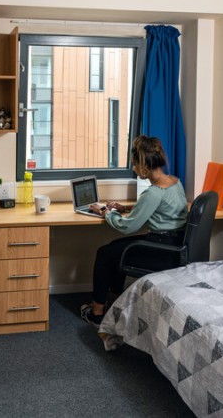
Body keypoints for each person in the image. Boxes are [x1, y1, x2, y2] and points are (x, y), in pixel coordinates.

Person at [80, 135, 188, 328]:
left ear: (145, 164)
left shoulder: (153, 192)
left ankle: (96, 313)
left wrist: (105, 211)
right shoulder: (174, 182)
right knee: (114, 248)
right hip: (174, 244)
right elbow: (160, 210)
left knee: (105, 253)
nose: (134, 169)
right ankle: (113, 303)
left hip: (161, 250)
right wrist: (125, 209)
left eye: (135, 164)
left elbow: (127, 227)